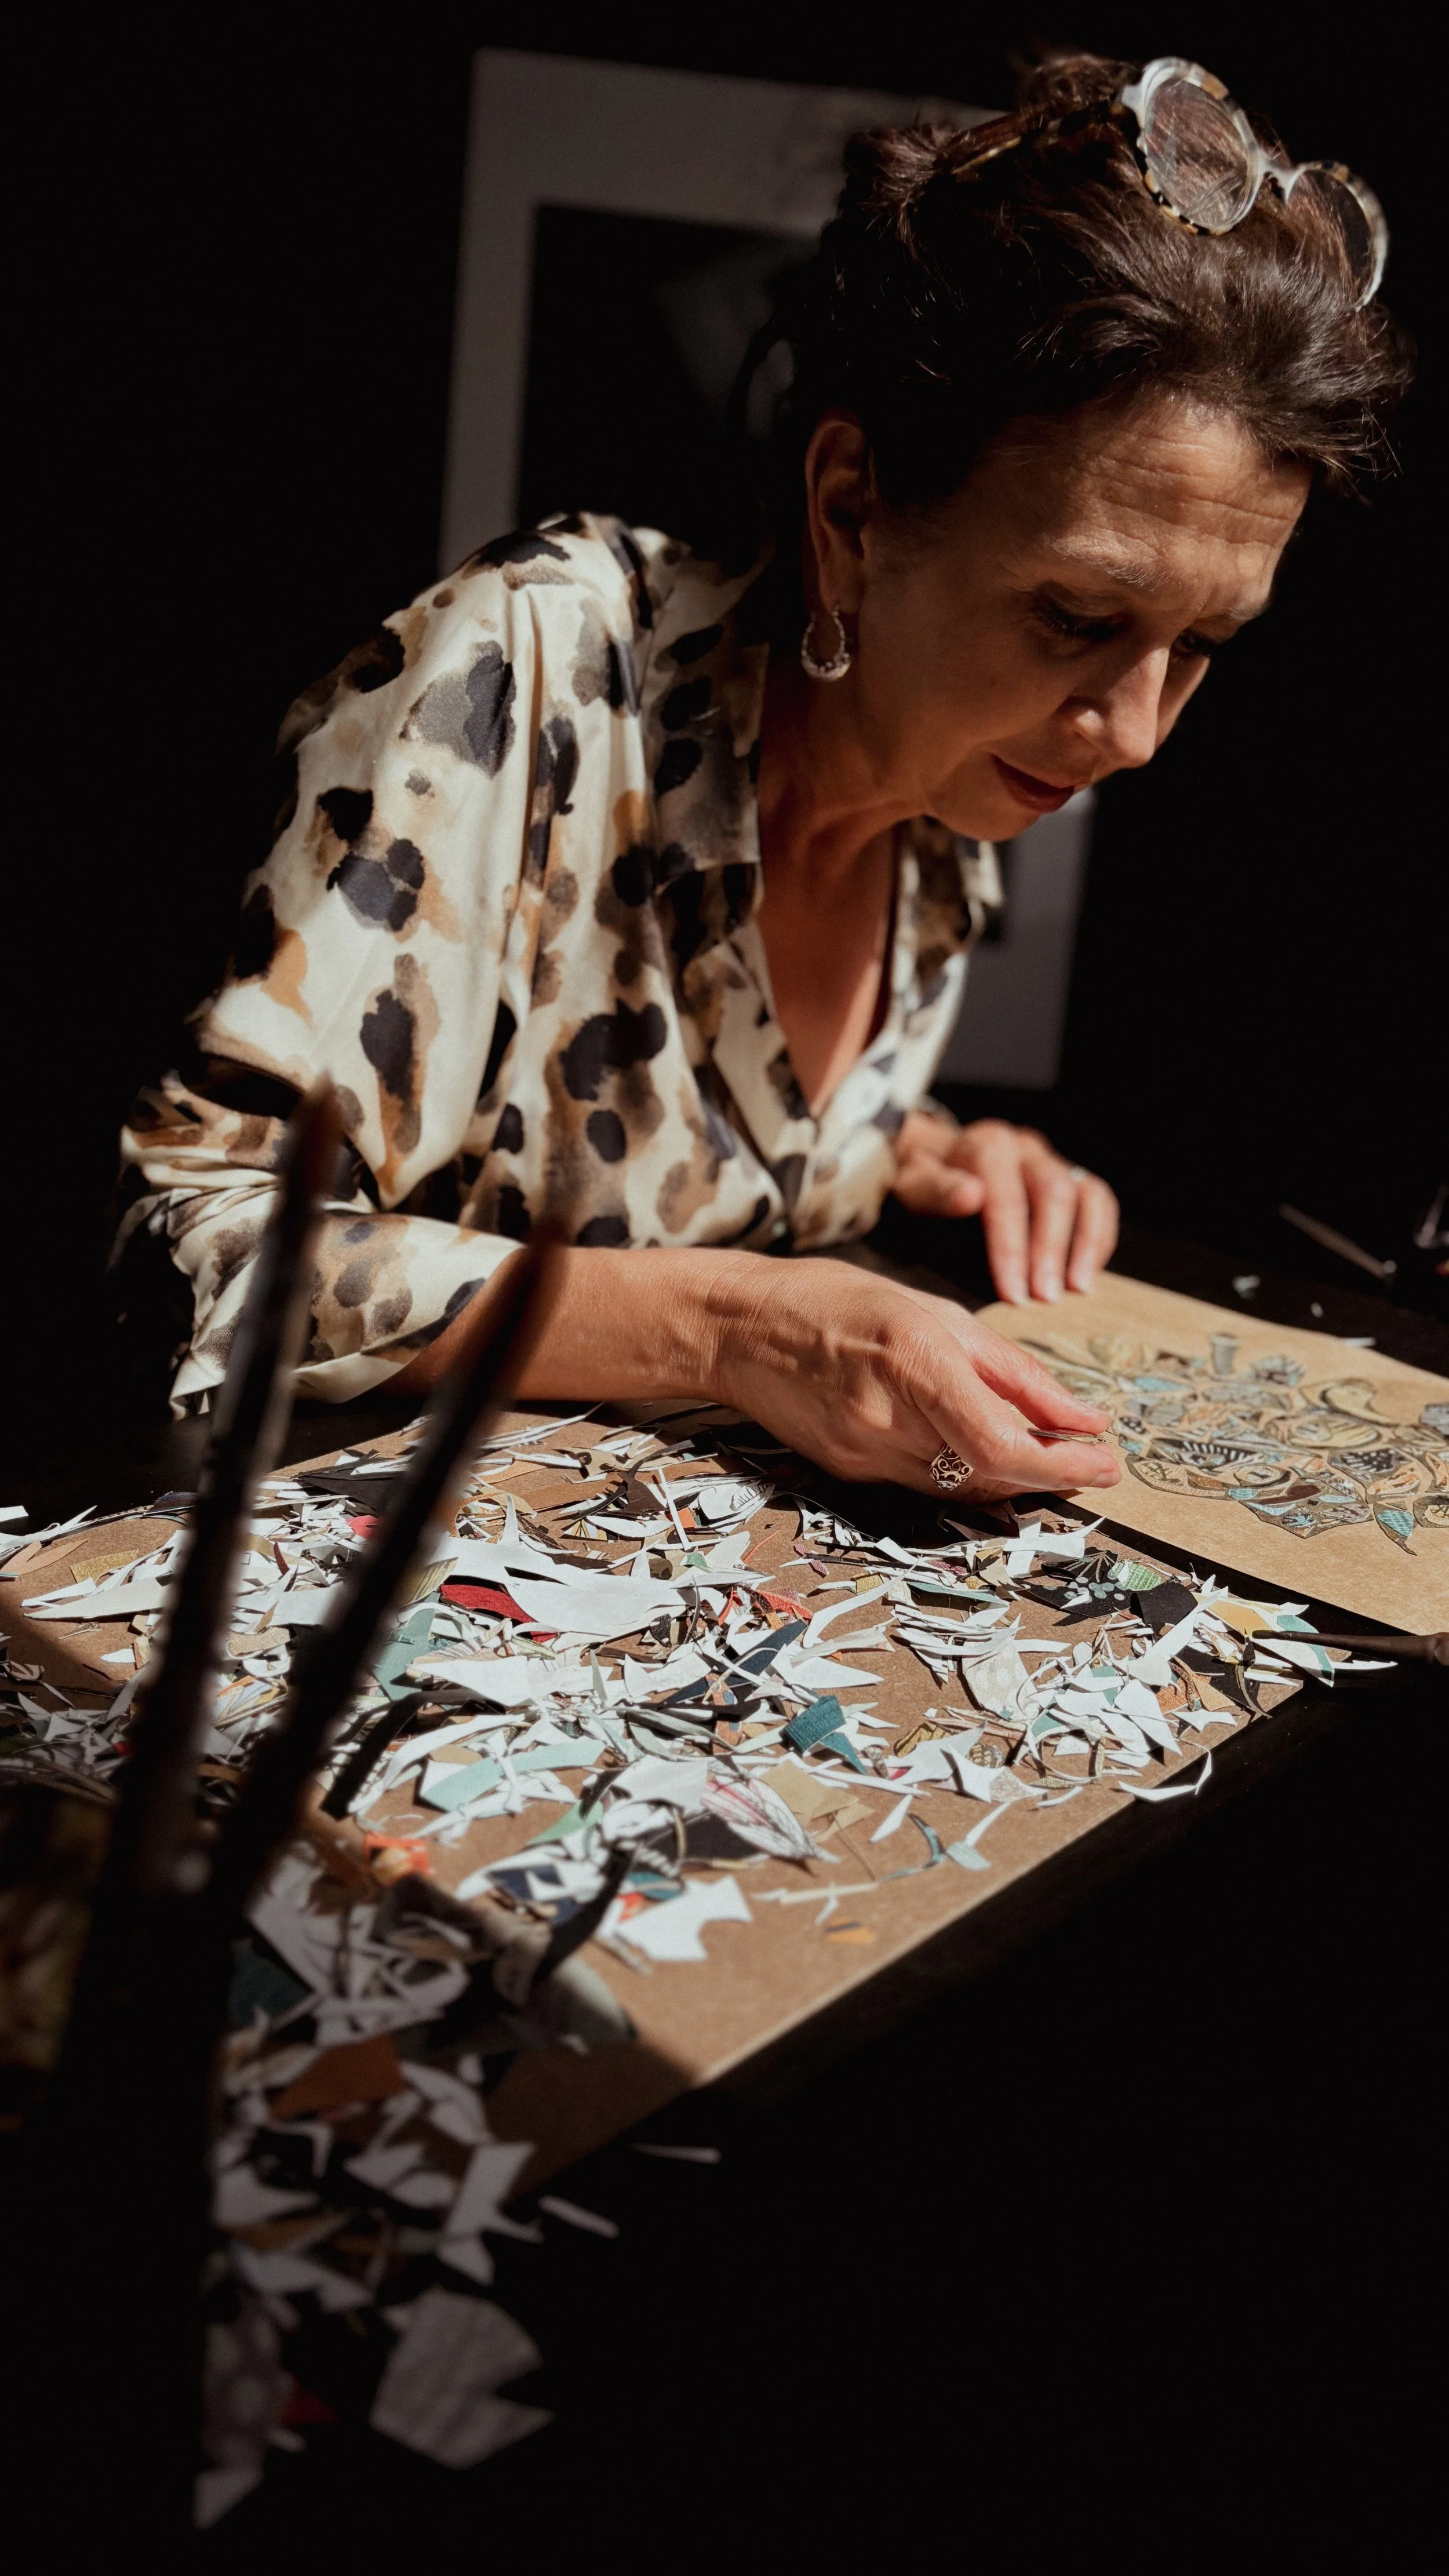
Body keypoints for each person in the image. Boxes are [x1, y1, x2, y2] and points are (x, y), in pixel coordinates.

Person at [117, 53, 1407, 1500]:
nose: (1134, 730)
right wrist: (730, 1322)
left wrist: (920, 1152)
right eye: (1072, 617)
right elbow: (194, 1248)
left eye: (1201, 645)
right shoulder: (535, 671)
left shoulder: (948, 811)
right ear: (850, 510)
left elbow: (680, 1124)